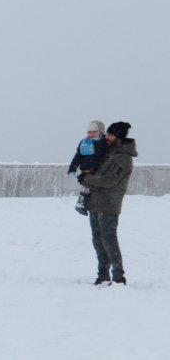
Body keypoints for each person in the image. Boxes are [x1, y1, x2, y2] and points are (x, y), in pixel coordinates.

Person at [82, 121, 137, 286]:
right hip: (95, 202)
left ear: (118, 137)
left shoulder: (123, 157)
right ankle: (103, 275)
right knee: (98, 240)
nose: (106, 136)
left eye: (110, 134)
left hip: (109, 204)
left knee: (109, 240)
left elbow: (110, 180)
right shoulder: (109, 152)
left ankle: (118, 277)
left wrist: (87, 179)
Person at [67, 120, 108, 215]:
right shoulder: (84, 142)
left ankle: (86, 205)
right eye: (89, 132)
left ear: (101, 131)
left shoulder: (105, 143)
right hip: (87, 170)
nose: (91, 134)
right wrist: (72, 169)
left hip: (99, 171)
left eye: (94, 132)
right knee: (87, 186)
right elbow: (77, 157)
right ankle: (81, 204)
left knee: (94, 189)